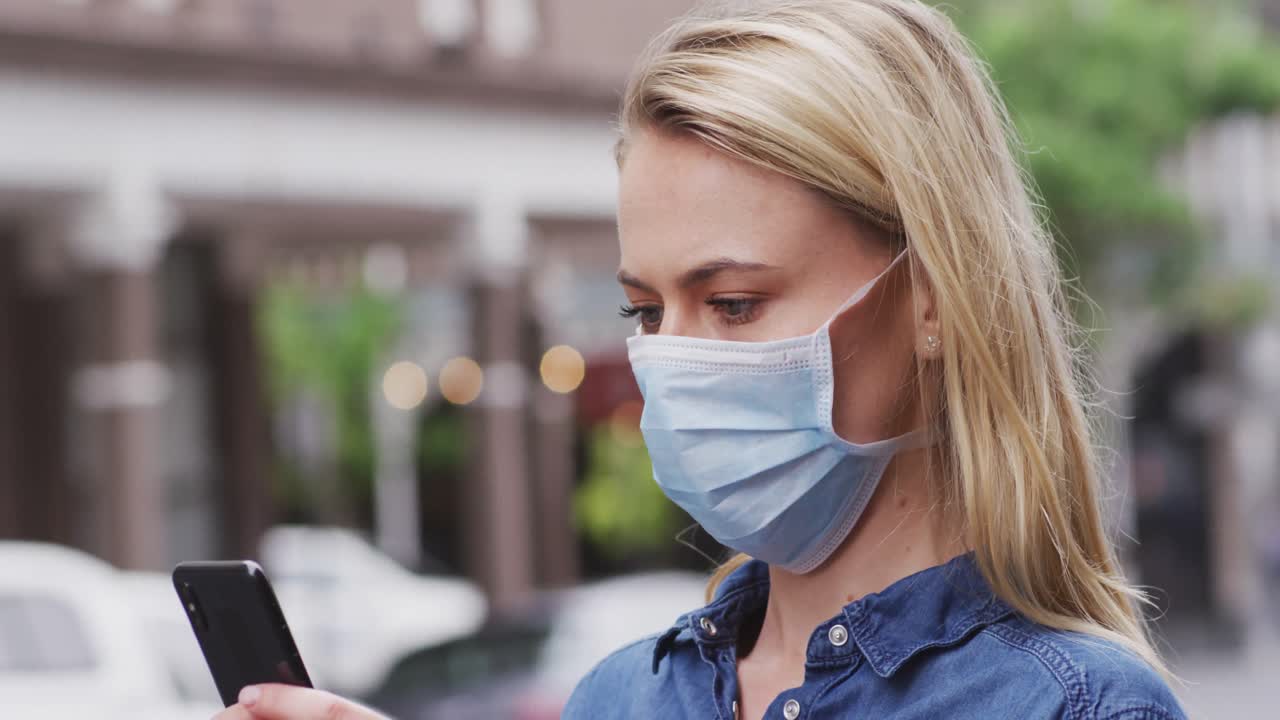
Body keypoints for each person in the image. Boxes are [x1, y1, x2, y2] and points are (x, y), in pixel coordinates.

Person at [213, 1, 1186, 718]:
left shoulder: (1077, 706)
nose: (673, 362)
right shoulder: (616, 699)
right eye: (643, 310)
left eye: (732, 304)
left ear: (930, 296)